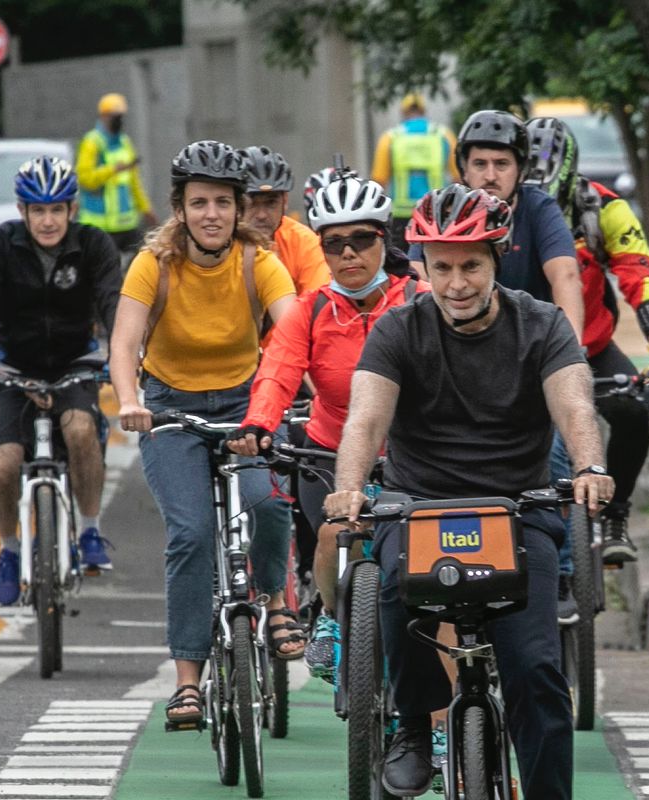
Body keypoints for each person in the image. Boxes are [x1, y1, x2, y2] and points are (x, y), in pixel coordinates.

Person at [324, 185, 614, 800]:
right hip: (420, 509)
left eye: (471, 267)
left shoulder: (542, 325)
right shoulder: (397, 330)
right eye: (441, 266)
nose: (456, 284)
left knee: (540, 673)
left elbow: (576, 404)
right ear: (421, 265)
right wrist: (352, 488)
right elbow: (364, 418)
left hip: (518, 512)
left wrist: (587, 468)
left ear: (495, 260)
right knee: (392, 589)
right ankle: (415, 727)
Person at [110, 140, 299, 728]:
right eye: (199, 203)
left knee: (269, 504)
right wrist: (128, 401)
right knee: (191, 532)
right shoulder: (155, 264)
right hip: (169, 408)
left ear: (239, 209)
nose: (211, 214)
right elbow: (123, 341)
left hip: (246, 404)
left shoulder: (258, 261)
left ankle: (272, 599)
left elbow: (294, 332)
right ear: (179, 209)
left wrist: (293, 400)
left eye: (222, 202)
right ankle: (188, 681)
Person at [228, 174, 427, 676]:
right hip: (328, 453)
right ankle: (332, 621)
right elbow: (277, 371)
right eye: (334, 244)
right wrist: (259, 423)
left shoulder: (420, 302)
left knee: (421, 578)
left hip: (413, 457)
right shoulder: (312, 308)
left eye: (361, 240)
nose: (348, 254)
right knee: (334, 535)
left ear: (385, 239)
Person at [410, 108, 585, 616]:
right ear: (462, 167)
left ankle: (562, 574)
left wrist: (566, 357)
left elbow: (565, 279)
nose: (490, 173)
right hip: (454, 361)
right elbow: (422, 289)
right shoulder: (439, 210)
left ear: (521, 169)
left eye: (502, 163)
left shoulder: (540, 208)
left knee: (554, 452)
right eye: (480, 162)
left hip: (532, 361)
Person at [0, 156, 121, 601]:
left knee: (82, 429)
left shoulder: (94, 245)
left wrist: (120, 356)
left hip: (76, 362)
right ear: (22, 210)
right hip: (13, 366)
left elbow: (112, 303)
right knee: (2, 463)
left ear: (72, 209)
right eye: (37, 210)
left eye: (56, 210)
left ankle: (89, 531)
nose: (47, 221)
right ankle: (9, 551)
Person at [525, 115, 649, 565]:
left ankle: (615, 517)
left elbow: (638, 272)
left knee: (631, 410)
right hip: (518, 352)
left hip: (588, 346)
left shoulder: (603, 208)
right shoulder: (498, 214)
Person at [370, 93, 458, 250]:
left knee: (403, 266)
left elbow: (379, 180)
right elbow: (458, 177)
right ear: (424, 111)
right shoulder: (444, 135)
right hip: (436, 213)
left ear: (403, 113)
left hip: (401, 216)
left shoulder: (390, 138)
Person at [238, 145, 329, 295]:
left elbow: (318, 302)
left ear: (285, 201)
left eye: (271, 203)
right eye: (252, 203)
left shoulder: (304, 241)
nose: (261, 215)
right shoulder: (220, 243)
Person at [76, 93, 157, 258]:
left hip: (126, 224)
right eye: (115, 116)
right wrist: (112, 170)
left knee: (145, 259)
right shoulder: (92, 143)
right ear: (103, 116)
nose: (118, 120)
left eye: (120, 116)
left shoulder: (125, 142)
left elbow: (134, 182)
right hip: (99, 225)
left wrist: (146, 209)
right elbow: (85, 179)